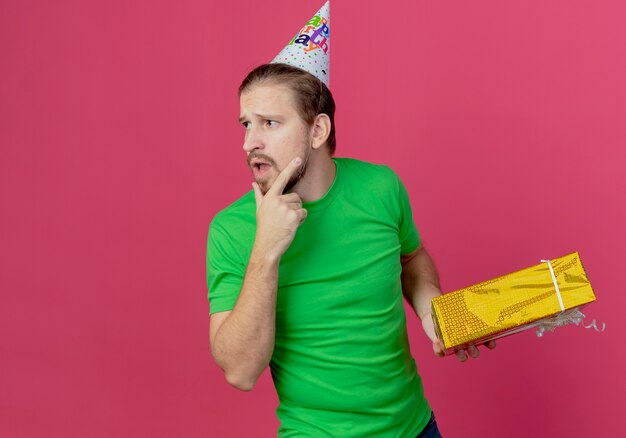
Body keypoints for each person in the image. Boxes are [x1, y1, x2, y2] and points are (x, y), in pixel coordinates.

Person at [206, 62, 495, 437]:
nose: (250, 143)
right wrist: (266, 249)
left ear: (318, 130)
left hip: (416, 427)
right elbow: (240, 372)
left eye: (269, 123)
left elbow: (410, 255)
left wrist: (432, 308)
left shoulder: (381, 187)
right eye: (247, 124)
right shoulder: (232, 229)